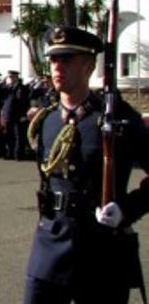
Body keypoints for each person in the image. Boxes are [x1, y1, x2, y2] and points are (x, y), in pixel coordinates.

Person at [24, 27, 149, 303]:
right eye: (54, 59)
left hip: (100, 251)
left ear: (89, 66)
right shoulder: (47, 119)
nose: (58, 67)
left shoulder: (118, 119)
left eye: (67, 59)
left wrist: (126, 210)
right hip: (49, 246)